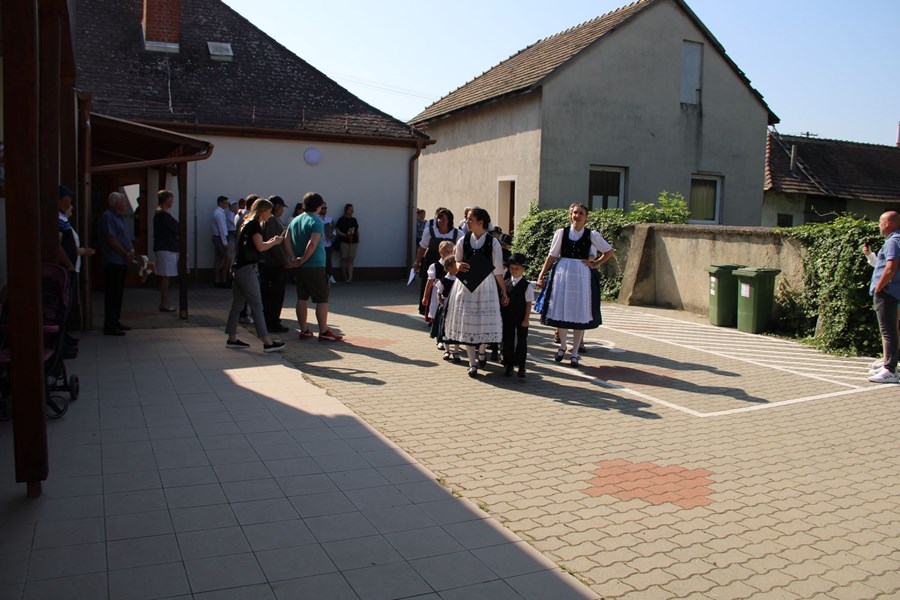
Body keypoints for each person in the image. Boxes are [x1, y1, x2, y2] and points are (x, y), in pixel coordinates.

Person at [536, 203, 615, 368]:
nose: (577, 216)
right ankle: (563, 346)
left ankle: (575, 352)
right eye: (575, 213)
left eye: (581, 213)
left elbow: (609, 251)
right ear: (570, 215)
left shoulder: (592, 234)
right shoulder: (561, 232)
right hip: (562, 273)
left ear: (586, 217)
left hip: (581, 275)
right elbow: (552, 255)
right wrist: (541, 274)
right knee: (561, 309)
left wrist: (595, 264)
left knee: (579, 312)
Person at [442, 207, 509, 377]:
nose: (467, 222)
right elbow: (455, 264)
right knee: (468, 322)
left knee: (483, 321)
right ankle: (472, 363)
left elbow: (498, 270)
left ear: (481, 222)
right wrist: (458, 265)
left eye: (470, 219)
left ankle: (482, 349)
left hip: (486, 287)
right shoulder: (463, 240)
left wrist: (503, 291)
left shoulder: (493, 243)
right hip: (466, 286)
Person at [226, 198, 285, 353]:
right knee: (257, 306)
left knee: (237, 305)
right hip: (247, 269)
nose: (270, 215)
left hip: (238, 267)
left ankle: (232, 338)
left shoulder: (245, 221)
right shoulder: (254, 224)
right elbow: (260, 247)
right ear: (262, 211)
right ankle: (267, 342)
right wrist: (275, 241)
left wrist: (271, 241)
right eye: (269, 211)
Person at [286, 192, 343, 342]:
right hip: (315, 265)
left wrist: (293, 257)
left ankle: (304, 330)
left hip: (299, 266)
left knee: (302, 298)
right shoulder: (316, 221)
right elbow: (313, 243)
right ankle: (323, 331)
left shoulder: (295, 220)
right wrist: (304, 259)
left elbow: (286, 239)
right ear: (318, 206)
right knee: (322, 299)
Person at [867, 211, 900, 383]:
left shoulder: (893, 241)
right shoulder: (895, 239)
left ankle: (890, 370)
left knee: (888, 330)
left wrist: (879, 287)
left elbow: (891, 267)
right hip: (892, 291)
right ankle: (888, 363)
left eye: (880, 222)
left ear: (887, 223)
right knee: (890, 329)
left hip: (888, 292)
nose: (879, 225)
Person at [98, 191, 135, 336]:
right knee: (112, 293)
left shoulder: (120, 217)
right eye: (123, 200)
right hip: (113, 260)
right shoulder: (108, 216)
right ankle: (110, 325)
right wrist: (125, 253)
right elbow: (111, 239)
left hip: (122, 261)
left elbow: (123, 237)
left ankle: (116, 320)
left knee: (118, 293)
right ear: (116, 203)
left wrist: (130, 250)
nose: (126, 202)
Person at [413, 208, 459, 316]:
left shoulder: (457, 233)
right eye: (439, 218)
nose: (441, 221)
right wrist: (416, 263)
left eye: (444, 219)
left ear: (449, 220)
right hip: (431, 261)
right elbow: (422, 248)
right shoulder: (430, 231)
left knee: (446, 287)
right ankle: (428, 312)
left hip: (449, 265)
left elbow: (461, 250)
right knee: (429, 284)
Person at [259, 195, 290, 333]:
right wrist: (284, 261)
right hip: (272, 264)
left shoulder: (273, 219)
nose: (283, 210)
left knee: (273, 295)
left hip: (273, 263)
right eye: (282, 207)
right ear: (276, 206)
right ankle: (272, 322)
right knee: (274, 296)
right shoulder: (271, 220)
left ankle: (272, 320)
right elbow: (274, 244)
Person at [502, 253, 534, 378]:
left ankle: (521, 366)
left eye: (517, 268)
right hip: (508, 316)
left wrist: (526, 319)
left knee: (522, 341)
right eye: (512, 268)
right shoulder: (505, 283)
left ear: (523, 269)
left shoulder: (527, 285)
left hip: (521, 316)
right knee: (508, 340)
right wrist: (503, 300)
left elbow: (528, 303)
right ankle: (509, 364)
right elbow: (503, 298)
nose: (514, 271)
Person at [152, 189, 179, 312]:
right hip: (165, 248)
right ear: (166, 200)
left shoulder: (161, 214)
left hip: (166, 247)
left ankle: (164, 302)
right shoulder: (162, 215)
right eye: (171, 199)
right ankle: (164, 303)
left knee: (166, 276)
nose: (172, 201)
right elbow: (175, 229)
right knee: (165, 276)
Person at [336, 203, 360, 283]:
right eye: (350, 209)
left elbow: (356, 230)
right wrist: (345, 235)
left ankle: (350, 278)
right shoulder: (341, 220)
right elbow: (337, 230)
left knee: (351, 259)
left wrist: (358, 239)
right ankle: (345, 277)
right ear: (346, 210)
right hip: (344, 242)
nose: (352, 211)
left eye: (352, 209)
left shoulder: (354, 220)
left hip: (353, 242)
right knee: (344, 259)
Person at [211, 195, 231, 288]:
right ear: (220, 203)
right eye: (225, 203)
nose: (226, 204)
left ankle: (217, 280)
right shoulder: (219, 214)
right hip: (220, 238)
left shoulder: (218, 212)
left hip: (217, 238)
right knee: (227, 259)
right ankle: (223, 280)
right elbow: (222, 229)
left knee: (218, 260)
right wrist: (225, 243)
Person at [321, 203, 338, 284]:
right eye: (322, 208)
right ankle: (322, 277)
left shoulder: (330, 219)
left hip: (328, 243)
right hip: (319, 243)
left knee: (328, 260)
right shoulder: (316, 218)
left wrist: (332, 235)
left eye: (325, 208)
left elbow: (334, 230)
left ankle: (330, 276)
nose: (324, 209)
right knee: (321, 261)